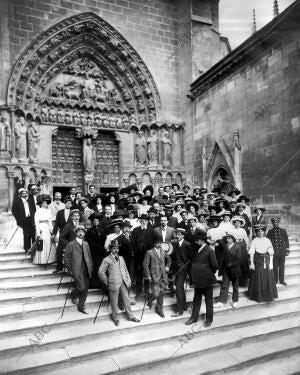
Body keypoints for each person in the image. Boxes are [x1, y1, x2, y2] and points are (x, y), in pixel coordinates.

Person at [98, 239, 140, 326]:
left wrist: (128, 279)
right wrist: (107, 282)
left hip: (123, 282)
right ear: (110, 249)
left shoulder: (121, 258)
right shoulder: (107, 259)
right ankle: (115, 318)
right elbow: (100, 272)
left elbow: (125, 269)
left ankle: (130, 316)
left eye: (117, 248)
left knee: (127, 300)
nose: (116, 250)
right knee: (114, 302)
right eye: (114, 248)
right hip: (113, 283)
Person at [185, 232, 218, 327]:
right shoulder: (198, 249)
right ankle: (193, 318)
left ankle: (209, 320)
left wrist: (206, 272)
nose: (196, 241)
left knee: (208, 301)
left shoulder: (209, 250)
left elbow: (215, 266)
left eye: (198, 240)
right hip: (198, 279)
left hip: (206, 280)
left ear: (202, 241)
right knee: (196, 300)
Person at [64, 225, 93, 314]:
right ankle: (72, 295)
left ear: (84, 233)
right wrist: (70, 270)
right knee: (81, 287)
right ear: (76, 233)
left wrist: (91, 267)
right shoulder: (71, 244)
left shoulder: (86, 244)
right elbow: (66, 259)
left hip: (87, 269)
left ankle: (81, 306)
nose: (81, 233)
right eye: (79, 231)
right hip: (77, 269)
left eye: (82, 232)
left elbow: (89, 256)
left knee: (86, 288)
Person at [248, 224, 278, 303]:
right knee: (258, 276)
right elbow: (252, 253)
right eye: (259, 231)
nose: (260, 233)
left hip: (266, 259)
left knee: (267, 276)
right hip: (257, 259)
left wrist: (271, 263)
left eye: (262, 231)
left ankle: (267, 296)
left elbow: (271, 252)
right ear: (256, 232)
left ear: (264, 232)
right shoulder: (254, 240)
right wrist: (252, 263)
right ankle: (259, 297)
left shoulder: (267, 240)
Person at [143, 239, 171, 318]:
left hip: (163, 275)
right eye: (157, 242)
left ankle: (158, 308)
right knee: (157, 292)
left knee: (160, 293)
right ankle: (154, 304)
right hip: (154, 275)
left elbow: (169, 260)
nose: (159, 244)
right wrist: (148, 275)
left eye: (160, 243)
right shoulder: (149, 252)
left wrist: (167, 267)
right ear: (154, 243)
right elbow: (145, 265)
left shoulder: (163, 251)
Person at [214, 232, 243, 308]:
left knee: (235, 286)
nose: (227, 239)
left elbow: (240, 260)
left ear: (233, 239)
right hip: (226, 270)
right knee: (224, 285)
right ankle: (222, 301)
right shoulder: (225, 247)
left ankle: (235, 301)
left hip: (235, 270)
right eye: (226, 238)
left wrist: (232, 264)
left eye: (229, 238)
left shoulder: (237, 247)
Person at [171, 228, 193, 317]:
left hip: (183, 270)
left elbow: (191, 258)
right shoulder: (175, 244)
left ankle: (179, 311)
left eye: (179, 234)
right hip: (176, 269)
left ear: (183, 235)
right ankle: (183, 306)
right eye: (176, 234)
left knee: (179, 288)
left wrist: (185, 267)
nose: (177, 236)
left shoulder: (187, 244)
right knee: (179, 288)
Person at [131, 214, 154, 298]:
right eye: (142, 220)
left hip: (148, 256)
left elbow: (154, 243)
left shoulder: (151, 230)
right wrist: (135, 251)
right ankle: (138, 291)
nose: (143, 222)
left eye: (145, 220)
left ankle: (147, 291)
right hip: (138, 255)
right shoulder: (135, 230)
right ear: (140, 221)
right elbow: (132, 242)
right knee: (139, 273)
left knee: (148, 272)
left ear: (147, 221)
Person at [85, 212, 106, 288]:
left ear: (99, 222)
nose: (95, 222)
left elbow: (105, 240)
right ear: (92, 222)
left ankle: (101, 283)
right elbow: (90, 242)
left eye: (97, 221)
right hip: (94, 252)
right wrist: (99, 247)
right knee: (95, 267)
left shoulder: (102, 230)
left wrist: (103, 248)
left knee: (101, 267)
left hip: (101, 253)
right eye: (94, 221)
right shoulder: (90, 231)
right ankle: (94, 284)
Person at [52, 196, 73, 273]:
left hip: (70, 234)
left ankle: (70, 268)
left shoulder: (73, 213)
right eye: (67, 203)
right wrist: (53, 233)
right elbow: (56, 224)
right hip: (62, 234)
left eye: (70, 203)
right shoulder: (60, 212)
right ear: (65, 204)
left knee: (70, 250)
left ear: (71, 205)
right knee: (59, 250)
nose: (68, 204)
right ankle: (59, 267)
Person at [267, 217, 290, 286]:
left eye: (276, 222)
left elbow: (286, 241)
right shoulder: (270, 232)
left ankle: (282, 280)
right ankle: (275, 280)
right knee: (275, 267)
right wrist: (270, 251)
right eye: (274, 222)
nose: (275, 223)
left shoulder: (283, 231)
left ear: (278, 223)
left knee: (282, 266)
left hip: (282, 252)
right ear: (272, 223)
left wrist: (287, 250)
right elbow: (268, 242)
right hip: (275, 252)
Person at [33, 194, 55, 265]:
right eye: (43, 203)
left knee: (48, 242)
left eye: (46, 203)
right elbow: (36, 222)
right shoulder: (38, 211)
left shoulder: (48, 211)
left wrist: (52, 231)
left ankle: (48, 260)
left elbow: (49, 221)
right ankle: (41, 260)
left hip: (47, 228)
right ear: (40, 204)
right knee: (41, 243)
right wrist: (38, 232)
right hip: (41, 228)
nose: (44, 204)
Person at [12, 188, 35, 253]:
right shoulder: (17, 201)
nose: (25, 194)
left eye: (26, 193)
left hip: (31, 219)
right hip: (23, 220)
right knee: (26, 234)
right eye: (23, 193)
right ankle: (27, 248)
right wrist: (18, 221)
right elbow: (14, 211)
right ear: (20, 194)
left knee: (32, 233)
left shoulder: (29, 200)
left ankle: (33, 247)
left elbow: (33, 210)